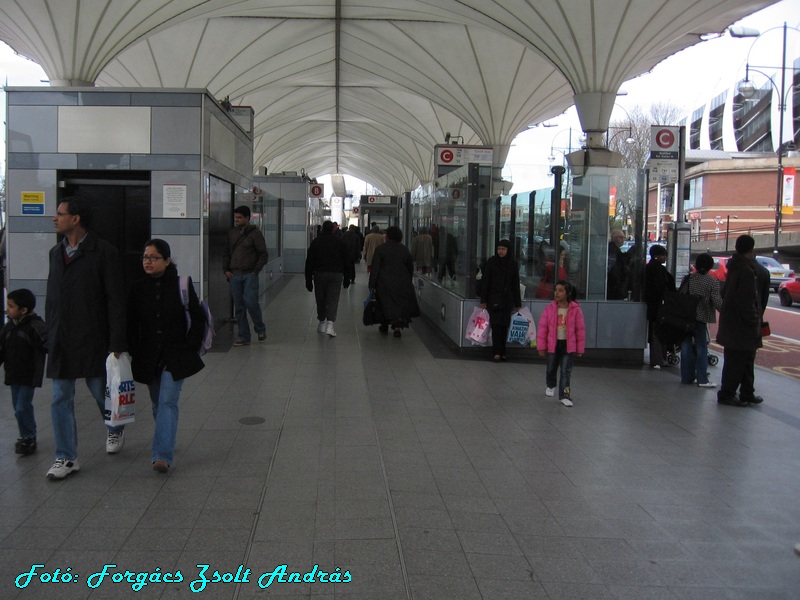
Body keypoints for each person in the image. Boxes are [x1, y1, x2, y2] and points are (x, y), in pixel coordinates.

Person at [45, 197, 127, 480]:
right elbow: (52, 297)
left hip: (93, 338)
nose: (55, 218)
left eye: (60, 213)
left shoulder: (104, 252)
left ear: (76, 218)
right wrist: (49, 332)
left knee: (101, 394)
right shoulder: (56, 253)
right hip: (61, 337)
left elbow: (116, 300)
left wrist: (117, 342)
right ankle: (66, 457)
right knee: (59, 397)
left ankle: (115, 428)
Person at [127, 240, 205, 472]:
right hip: (148, 356)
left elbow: (197, 320)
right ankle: (166, 434)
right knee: (156, 402)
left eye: (153, 257)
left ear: (167, 261)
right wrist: (133, 349)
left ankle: (162, 455)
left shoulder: (182, 284)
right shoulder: (137, 288)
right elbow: (131, 323)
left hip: (175, 355)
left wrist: (189, 348)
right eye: (145, 257)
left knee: (168, 401)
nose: (148, 261)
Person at [716, 235, 763, 407]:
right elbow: (747, 301)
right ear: (751, 250)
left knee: (742, 359)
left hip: (732, 323)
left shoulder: (734, 268)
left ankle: (747, 392)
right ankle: (728, 394)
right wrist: (754, 320)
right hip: (742, 327)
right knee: (738, 361)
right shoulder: (746, 271)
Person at [0, 289, 47, 455]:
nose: (7, 309)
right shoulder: (8, 328)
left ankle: (29, 436)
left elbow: (48, 345)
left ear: (24, 310)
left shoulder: (36, 326)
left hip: (29, 375)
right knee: (18, 408)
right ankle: (25, 436)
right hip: (13, 376)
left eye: (11, 306)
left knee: (22, 407)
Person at [223, 206, 268, 347]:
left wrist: (255, 271)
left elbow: (263, 254)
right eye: (236, 217)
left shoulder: (255, 234)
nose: (237, 220)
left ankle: (260, 328)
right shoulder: (232, 234)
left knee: (250, 302)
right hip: (235, 275)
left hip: (250, 274)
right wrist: (226, 270)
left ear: (247, 218)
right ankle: (244, 336)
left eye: (240, 217)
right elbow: (226, 252)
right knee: (239, 306)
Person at [537, 280, 585, 406]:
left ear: (568, 293)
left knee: (566, 371)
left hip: (568, 346)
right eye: (556, 290)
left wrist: (580, 348)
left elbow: (580, 330)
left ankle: (565, 395)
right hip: (553, 344)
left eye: (561, 290)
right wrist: (541, 346)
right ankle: (550, 384)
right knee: (551, 368)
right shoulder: (549, 309)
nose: (556, 293)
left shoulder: (575, 310)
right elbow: (543, 329)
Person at [679, 253, 723, 387]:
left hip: (686, 317)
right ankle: (702, 378)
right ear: (710, 266)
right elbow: (717, 302)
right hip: (701, 317)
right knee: (701, 347)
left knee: (686, 346)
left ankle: (686, 377)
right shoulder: (712, 282)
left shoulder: (688, 279)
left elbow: (681, 296)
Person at [368, 226, 420, 338]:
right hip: (401, 281)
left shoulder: (381, 249)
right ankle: (397, 328)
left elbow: (375, 268)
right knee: (399, 305)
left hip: (384, 282)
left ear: (388, 236)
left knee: (384, 303)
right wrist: (408, 280)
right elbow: (410, 267)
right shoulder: (404, 249)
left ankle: (384, 324)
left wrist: (372, 284)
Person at [305, 221, 355, 337]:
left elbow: (309, 261)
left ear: (322, 229)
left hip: (319, 274)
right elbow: (347, 261)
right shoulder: (340, 242)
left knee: (320, 297)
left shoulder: (316, 242)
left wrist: (308, 279)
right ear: (333, 229)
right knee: (333, 298)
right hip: (336, 274)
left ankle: (322, 322)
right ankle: (330, 325)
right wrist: (347, 277)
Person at [479, 239, 522, 361]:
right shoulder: (492, 262)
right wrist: (483, 300)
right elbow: (486, 281)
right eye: (499, 249)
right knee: (496, 325)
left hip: (507, 300)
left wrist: (517, 303)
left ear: (508, 250)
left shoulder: (512, 264)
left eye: (503, 249)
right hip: (494, 299)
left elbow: (515, 284)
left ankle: (503, 351)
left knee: (504, 325)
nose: (500, 251)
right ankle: (496, 352)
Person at [644, 244, 675, 369]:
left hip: (653, 305)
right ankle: (658, 359)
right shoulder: (658, 270)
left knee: (655, 331)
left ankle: (659, 358)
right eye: (663, 255)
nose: (665, 257)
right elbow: (661, 288)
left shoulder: (650, 268)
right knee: (658, 332)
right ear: (657, 256)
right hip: (658, 306)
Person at [607, 229, 638, 300]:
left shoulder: (615, 249)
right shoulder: (612, 249)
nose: (623, 240)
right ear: (615, 238)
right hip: (614, 287)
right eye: (621, 237)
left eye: (623, 238)